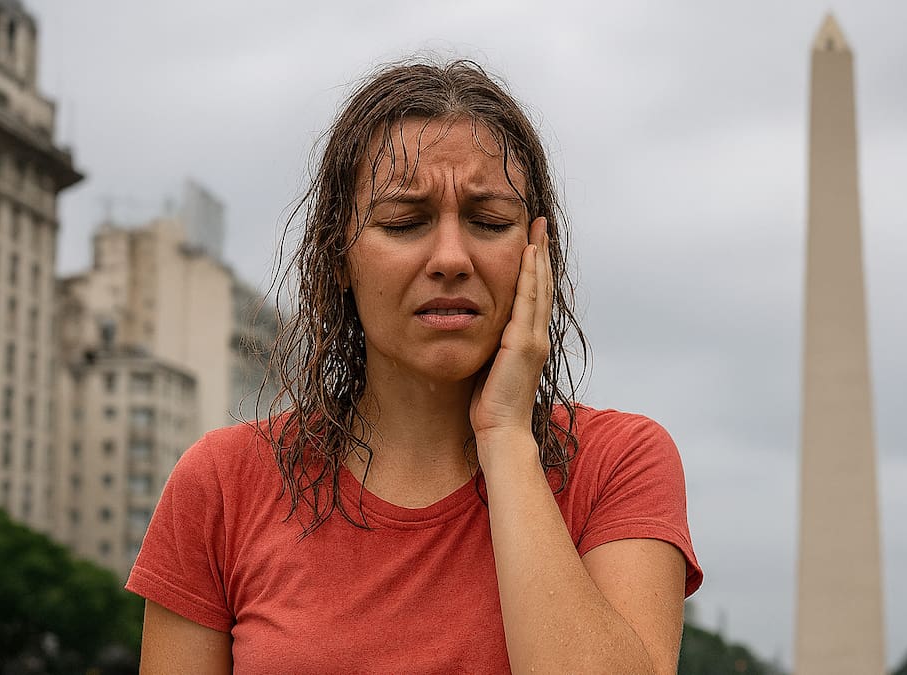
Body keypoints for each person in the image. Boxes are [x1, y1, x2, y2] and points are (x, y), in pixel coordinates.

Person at [127, 59, 702, 673]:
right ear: (339, 259)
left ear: (537, 253)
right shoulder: (222, 482)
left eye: (489, 222)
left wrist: (506, 436)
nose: (451, 258)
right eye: (404, 223)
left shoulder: (619, 463)